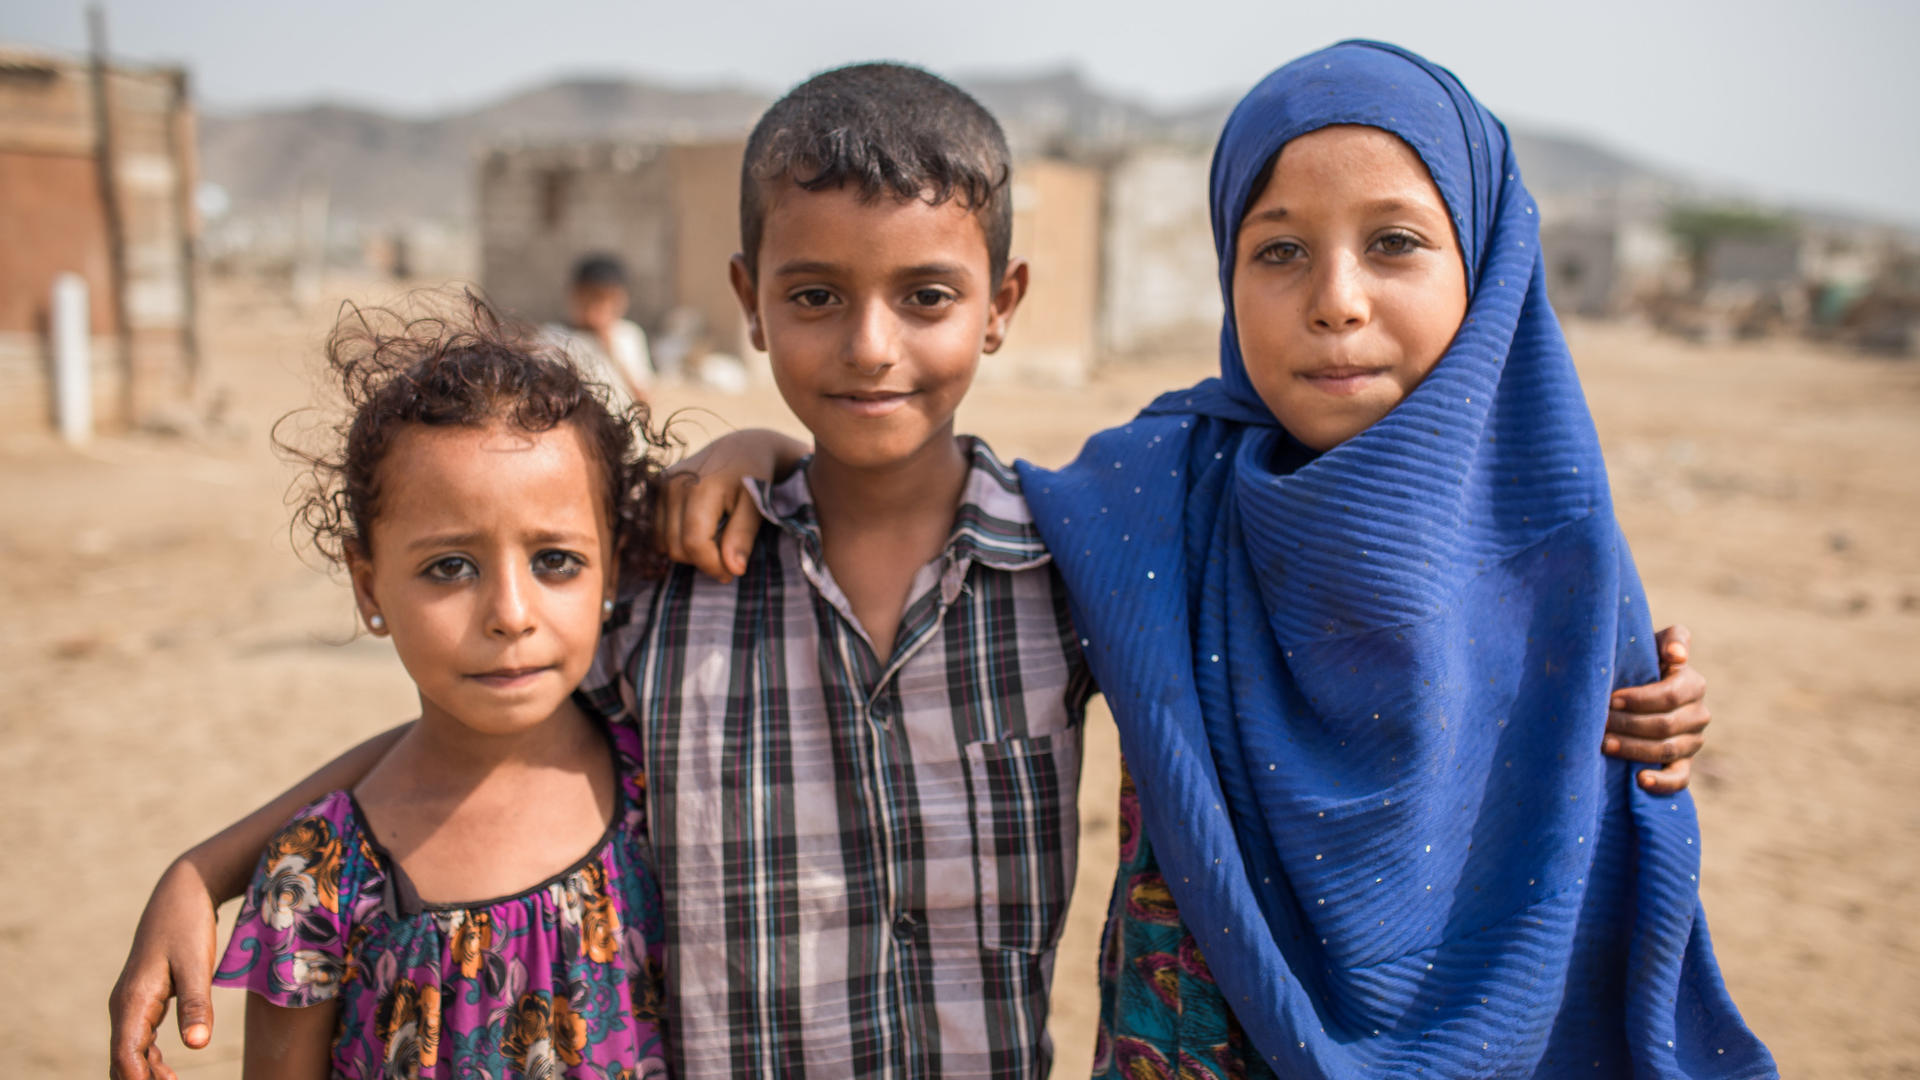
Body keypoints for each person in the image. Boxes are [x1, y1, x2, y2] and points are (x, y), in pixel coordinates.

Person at [108, 62, 1713, 1080]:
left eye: (927, 297)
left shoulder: (1085, 552)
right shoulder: (671, 577)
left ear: (1003, 301)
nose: (871, 346)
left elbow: (1355, 612)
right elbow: (469, 726)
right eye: (816, 297)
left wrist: (1641, 705)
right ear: (748, 295)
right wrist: (220, 862)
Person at [647, 46, 1756, 1079]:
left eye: (1397, 242)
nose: (1337, 298)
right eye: (1279, 250)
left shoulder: (1561, 545)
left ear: (1493, 260)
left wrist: (1659, 712)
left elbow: (1618, 756)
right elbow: (894, 486)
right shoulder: (1152, 495)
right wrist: (762, 452)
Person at [208, 295, 670, 1078]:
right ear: (368, 587)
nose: (510, 615)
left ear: (613, 566)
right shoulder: (320, 874)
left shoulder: (666, 786)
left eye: (556, 560)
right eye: (449, 567)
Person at [544, 254, 655, 408]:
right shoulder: (555, 336)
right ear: (575, 296)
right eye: (590, 299)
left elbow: (643, 397)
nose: (598, 308)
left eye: (607, 300)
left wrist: (611, 346)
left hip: (620, 425)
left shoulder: (627, 335)